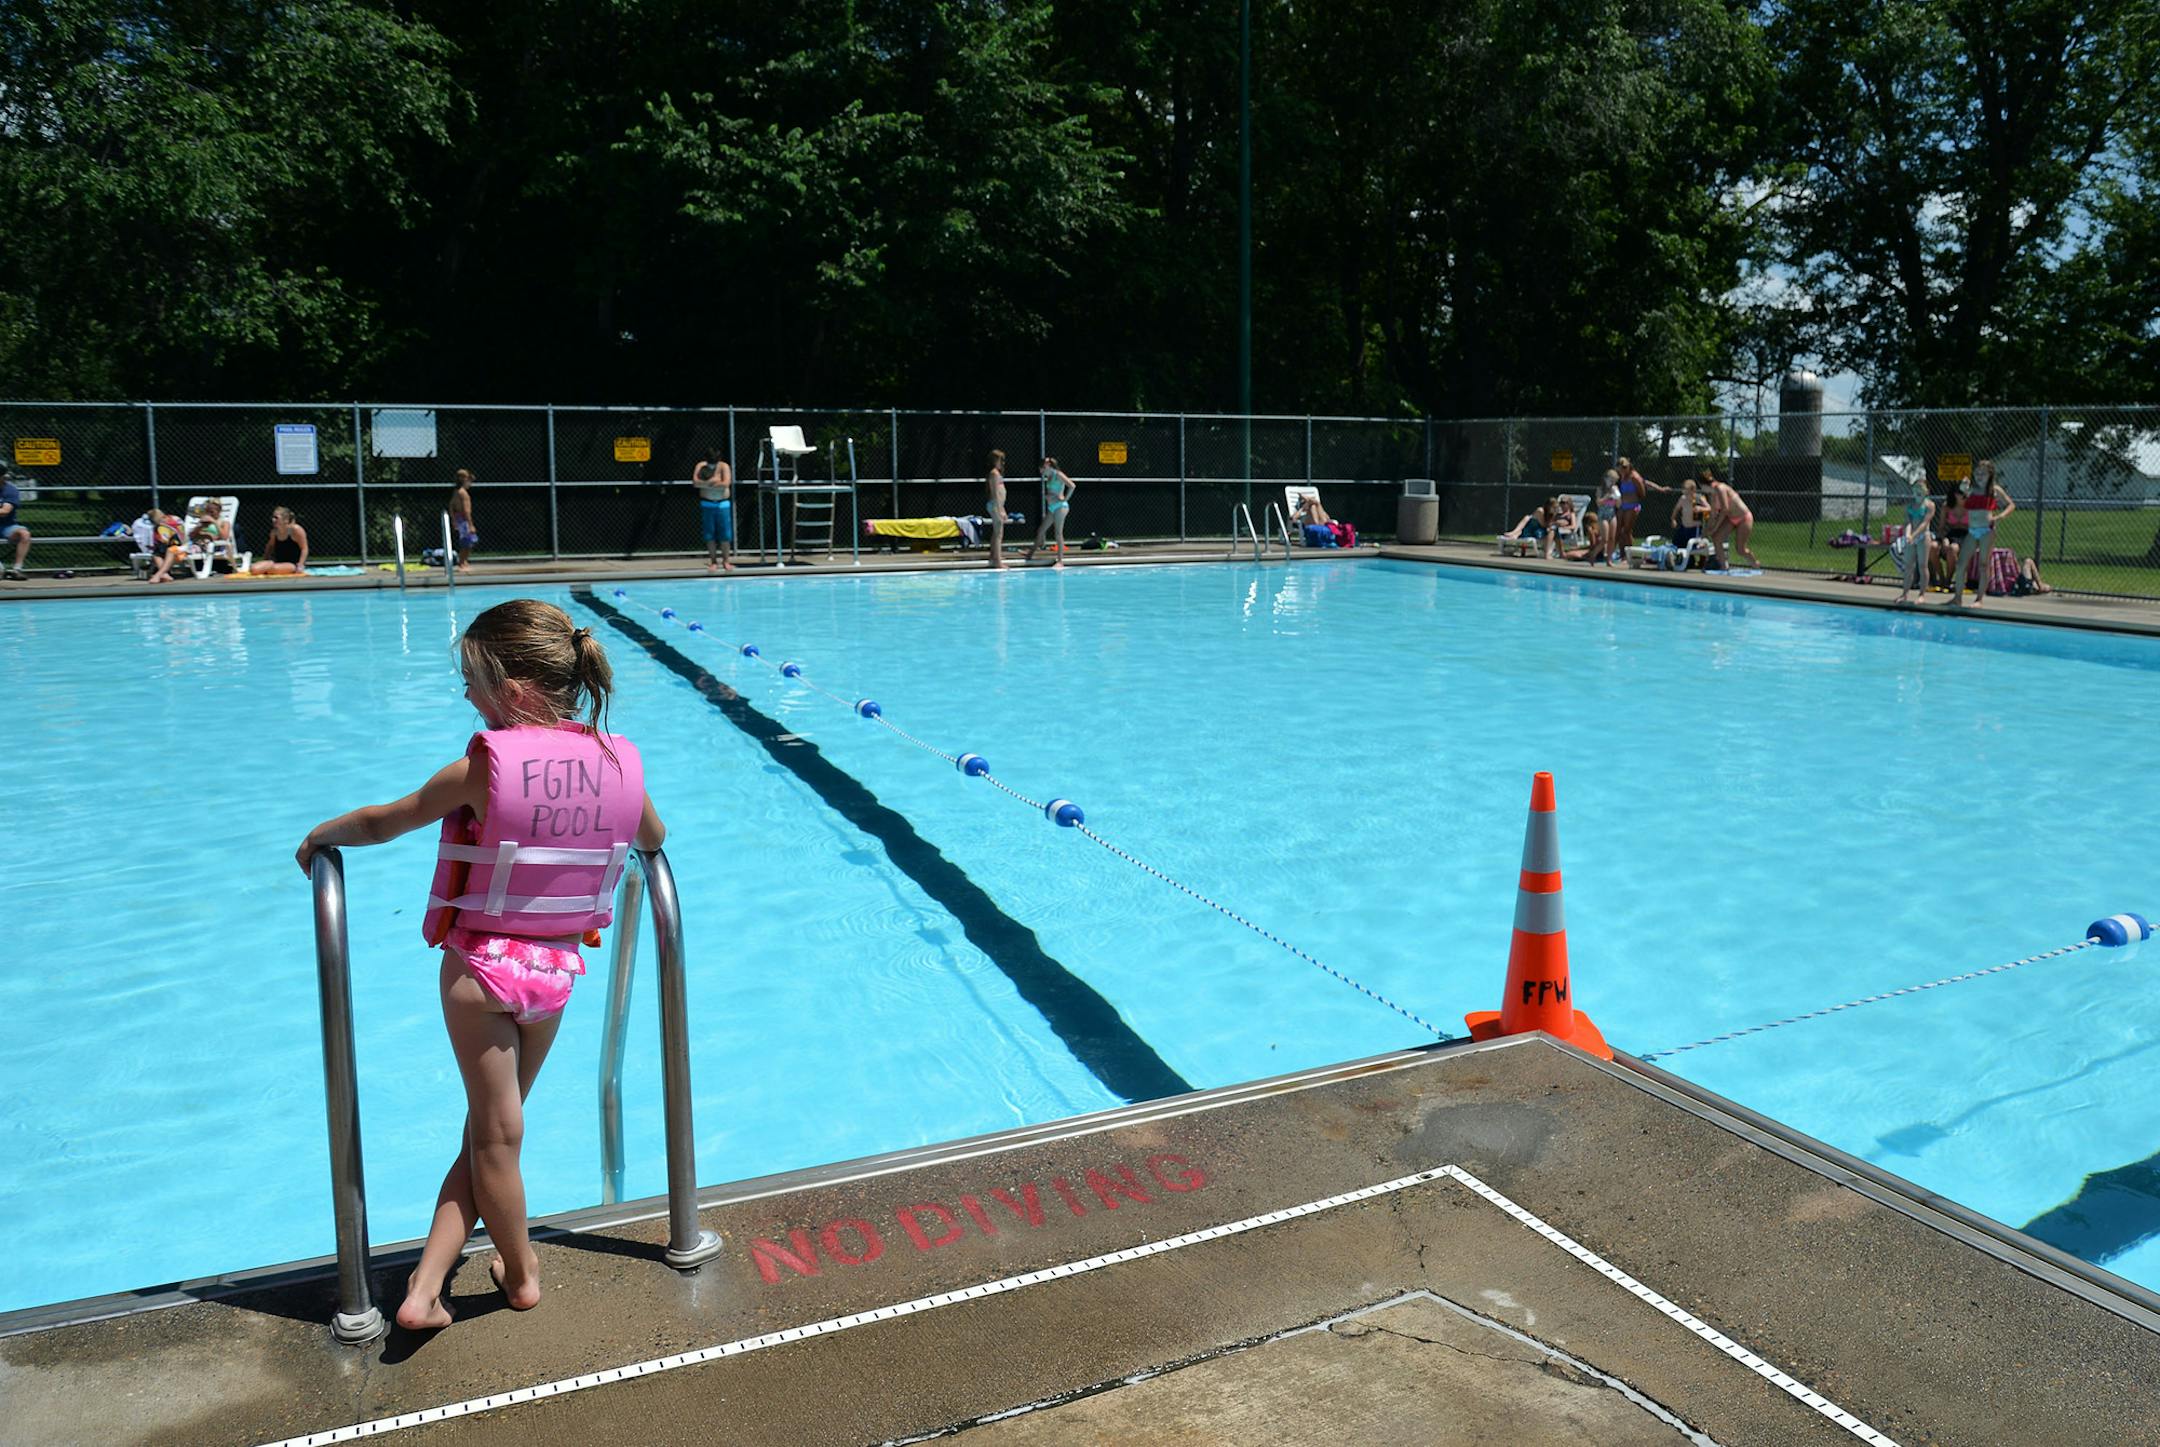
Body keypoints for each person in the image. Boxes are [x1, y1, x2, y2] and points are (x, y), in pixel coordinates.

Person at [295, 600, 666, 1331]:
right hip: (553, 975)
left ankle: (516, 1273)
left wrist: (320, 836)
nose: (467, 694)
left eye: (473, 679)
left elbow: (386, 820)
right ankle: (425, 1288)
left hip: (480, 972)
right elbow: (651, 832)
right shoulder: (618, 759)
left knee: (492, 1135)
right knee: (492, 1133)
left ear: (516, 689)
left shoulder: (485, 765)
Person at [1950, 460, 2014, 608]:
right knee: (1961, 564)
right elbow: (1960, 497)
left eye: (1983, 473)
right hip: (1972, 531)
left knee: (1983, 565)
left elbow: (2011, 504)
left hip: (1987, 530)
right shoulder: (1971, 489)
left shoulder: (1994, 490)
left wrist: (2000, 516)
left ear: (1990, 475)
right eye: (1977, 473)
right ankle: (1957, 598)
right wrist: (1962, 488)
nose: (1979, 476)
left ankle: (1979, 599)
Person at [1610, 457, 1672, 555]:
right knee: (1617, 531)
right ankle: (1620, 554)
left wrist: (1661, 489)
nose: (1621, 471)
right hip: (1623, 506)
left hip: (1632, 506)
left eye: (1623, 469)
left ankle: (1629, 555)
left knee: (1626, 531)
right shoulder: (1622, 477)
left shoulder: (1634, 476)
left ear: (1627, 467)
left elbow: (1645, 485)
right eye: (1619, 470)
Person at [1702, 471, 1759, 569]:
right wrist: (1706, 531)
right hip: (1731, 518)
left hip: (1743, 518)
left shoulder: (1720, 488)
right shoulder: (1712, 495)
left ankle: (1755, 564)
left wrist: (1715, 528)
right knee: (1716, 538)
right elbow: (1713, 514)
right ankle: (1724, 567)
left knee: (1740, 549)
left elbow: (1725, 509)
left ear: (1703, 484)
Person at [1891, 476, 1934, 606]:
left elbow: (1925, 523)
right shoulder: (1910, 506)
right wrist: (1907, 535)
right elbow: (1908, 522)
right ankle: (1904, 594)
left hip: (1923, 536)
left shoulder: (1930, 505)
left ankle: (1922, 595)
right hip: (1912, 537)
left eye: (1921, 488)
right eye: (1915, 488)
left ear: (1927, 491)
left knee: (1922, 565)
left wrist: (1913, 535)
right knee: (1909, 566)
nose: (1918, 490)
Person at [1026, 456, 1076, 566]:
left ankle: (1060, 561)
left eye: (1042, 468)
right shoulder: (1049, 476)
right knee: (1041, 530)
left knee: (1058, 533)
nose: (1041, 471)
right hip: (1052, 508)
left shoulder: (1058, 474)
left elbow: (1072, 486)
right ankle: (1029, 554)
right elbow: (1052, 491)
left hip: (1060, 507)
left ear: (1048, 466)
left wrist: (1064, 498)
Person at [693, 451, 735, 573]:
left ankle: (726, 561)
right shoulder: (701, 466)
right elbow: (695, 483)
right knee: (709, 534)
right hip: (707, 503)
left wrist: (705, 484)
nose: (712, 465)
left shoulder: (724, 466)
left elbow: (725, 484)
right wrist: (712, 481)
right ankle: (713, 562)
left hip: (723, 504)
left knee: (725, 535)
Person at [256, 505, 310, 575]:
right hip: (277, 562)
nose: (273, 520)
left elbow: (304, 548)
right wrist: (265, 560)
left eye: (276, 518)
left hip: (292, 564)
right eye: (272, 517)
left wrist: (300, 565)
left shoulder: (296, 530)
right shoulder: (274, 532)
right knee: (254, 569)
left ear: (286, 520)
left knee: (272, 569)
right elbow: (270, 547)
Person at [144, 505, 190, 584]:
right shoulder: (175, 518)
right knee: (158, 554)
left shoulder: (161, 526)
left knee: (158, 553)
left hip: (182, 549)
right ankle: (165, 574)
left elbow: (164, 540)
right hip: (185, 544)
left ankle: (159, 575)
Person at [0, 464, 29, 579]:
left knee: (24, 534)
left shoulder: (10, 490)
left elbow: (5, 511)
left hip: (7, 525)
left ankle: (17, 569)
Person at [1672, 477, 1712, 556]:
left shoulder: (1698, 498)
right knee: (1677, 542)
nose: (1684, 491)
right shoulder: (1683, 498)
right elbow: (1676, 509)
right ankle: (1686, 561)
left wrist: (1701, 508)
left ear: (1692, 490)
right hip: (1684, 527)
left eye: (1686, 490)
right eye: (1683, 489)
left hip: (1694, 528)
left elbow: (1709, 508)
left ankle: (1700, 559)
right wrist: (1673, 519)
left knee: (1692, 546)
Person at [450, 469, 479, 572]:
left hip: (459, 519)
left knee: (468, 541)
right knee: (467, 542)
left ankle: (464, 562)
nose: (470, 484)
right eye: (469, 481)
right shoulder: (463, 494)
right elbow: (466, 511)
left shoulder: (456, 492)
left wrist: (454, 520)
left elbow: (451, 507)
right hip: (464, 519)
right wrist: (470, 524)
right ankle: (462, 563)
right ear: (464, 481)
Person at [985, 449, 1008, 569]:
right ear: (995, 460)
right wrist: (1001, 510)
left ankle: (993, 556)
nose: (1002, 462)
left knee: (996, 532)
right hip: (995, 505)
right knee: (999, 533)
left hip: (997, 505)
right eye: (1000, 460)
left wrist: (1002, 508)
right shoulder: (994, 473)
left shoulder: (997, 473)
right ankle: (998, 561)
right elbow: (995, 494)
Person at [1592, 471, 1621, 563]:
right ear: (1606, 479)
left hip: (1612, 514)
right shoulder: (1600, 489)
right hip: (1603, 515)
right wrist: (1607, 496)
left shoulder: (1615, 489)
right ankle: (1593, 555)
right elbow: (1598, 503)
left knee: (1612, 538)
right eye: (1611, 480)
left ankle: (1609, 559)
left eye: (1614, 481)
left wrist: (1617, 497)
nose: (1612, 483)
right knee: (1605, 539)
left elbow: (1618, 506)